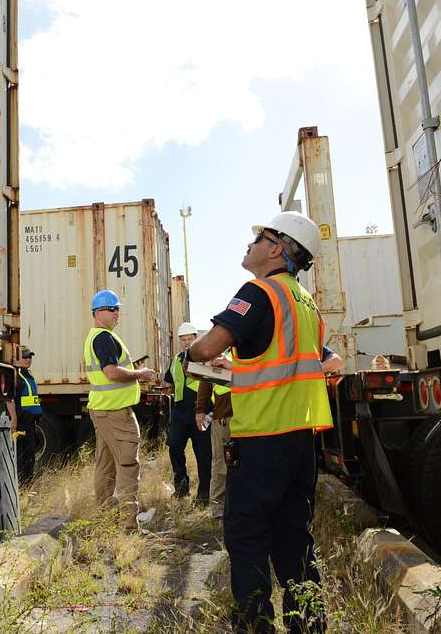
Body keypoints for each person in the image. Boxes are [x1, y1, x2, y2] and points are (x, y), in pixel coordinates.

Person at [186, 211, 342, 634]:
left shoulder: (258, 293)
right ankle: (309, 624)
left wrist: (192, 353)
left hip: (261, 443)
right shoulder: (306, 304)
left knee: (247, 537)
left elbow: (207, 348)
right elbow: (291, 364)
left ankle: (256, 626)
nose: (250, 245)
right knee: (294, 538)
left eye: (258, 238)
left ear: (276, 248)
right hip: (301, 443)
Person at [83, 289, 158, 530]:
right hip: (115, 412)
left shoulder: (97, 336)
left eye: (118, 309)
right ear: (98, 312)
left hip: (103, 410)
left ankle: (105, 516)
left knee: (105, 464)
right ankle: (128, 524)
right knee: (127, 464)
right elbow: (112, 373)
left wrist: (132, 370)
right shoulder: (103, 337)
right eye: (113, 309)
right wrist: (140, 374)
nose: (118, 313)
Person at [163, 322, 212, 504]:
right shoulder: (176, 359)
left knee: (204, 454)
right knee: (174, 447)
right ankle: (181, 488)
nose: (186, 343)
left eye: (189, 339)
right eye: (183, 340)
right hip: (180, 414)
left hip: (201, 412)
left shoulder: (204, 357)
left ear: (196, 339)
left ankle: (204, 493)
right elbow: (171, 381)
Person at [195, 361, 232, 519]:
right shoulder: (217, 354)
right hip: (223, 418)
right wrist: (200, 410)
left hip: (248, 417)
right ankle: (217, 507)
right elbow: (205, 383)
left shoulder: (241, 350)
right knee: (221, 463)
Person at [14, 346, 41, 483]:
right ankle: (20, 486)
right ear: (17, 357)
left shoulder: (28, 375)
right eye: (25, 356)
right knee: (21, 457)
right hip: (20, 424)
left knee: (30, 457)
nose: (28, 359)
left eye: (30, 356)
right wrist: (15, 418)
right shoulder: (15, 375)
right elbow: (11, 400)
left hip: (30, 423)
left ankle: (27, 485)